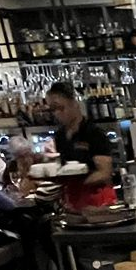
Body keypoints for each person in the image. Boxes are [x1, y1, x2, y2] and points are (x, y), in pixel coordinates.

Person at [43, 81, 119, 211]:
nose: (56, 113)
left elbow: (105, 172)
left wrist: (77, 182)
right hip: (73, 201)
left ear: (74, 104)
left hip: (98, 201)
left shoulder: (93, 133)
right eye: (52, 110)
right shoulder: (60, 136)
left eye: (60, 108)